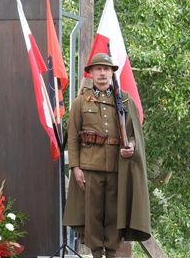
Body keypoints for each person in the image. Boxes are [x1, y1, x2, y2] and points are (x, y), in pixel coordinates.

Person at [63, 53, 151, 258]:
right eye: (98, 69)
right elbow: (73, 138)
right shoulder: (80, 102)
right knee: (92, 215)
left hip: (116, 167)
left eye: (106, 69)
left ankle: (111, 253)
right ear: (91, 73)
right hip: (90, 168)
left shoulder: (126, 100)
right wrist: (75, 167)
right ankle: (95, 253)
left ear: (112, 73)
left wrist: (131, 146)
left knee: (114, 214)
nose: (102, 73)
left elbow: (135, 134)